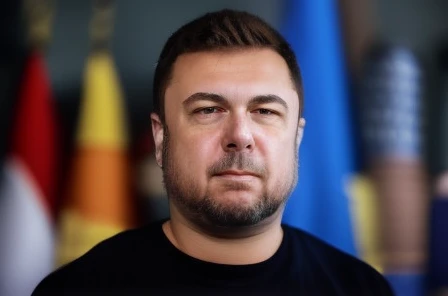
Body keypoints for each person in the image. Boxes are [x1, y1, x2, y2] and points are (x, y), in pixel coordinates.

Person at [32, 9, 394, 296]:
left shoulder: (361, 288)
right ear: (161, 139)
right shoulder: (77, 288)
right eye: (208, 110)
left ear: (297, 139)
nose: (240, 135)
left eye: (265, 112)